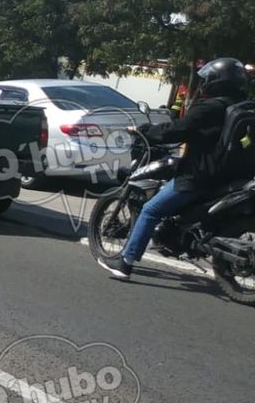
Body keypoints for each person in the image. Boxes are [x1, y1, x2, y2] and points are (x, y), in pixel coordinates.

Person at [99, 57, 249, 280]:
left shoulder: (209, 108)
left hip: (200, 176)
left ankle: (125, 263)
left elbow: (178, 129)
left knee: (151, 210)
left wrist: (145, 130)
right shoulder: (245, 107)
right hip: (233, 178)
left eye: (207, 79)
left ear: (216, 82)